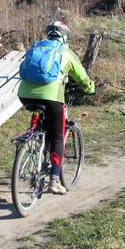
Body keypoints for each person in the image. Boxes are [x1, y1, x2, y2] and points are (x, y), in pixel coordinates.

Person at [18, 21, 95, 195]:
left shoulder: (35, 48)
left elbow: (22, 70)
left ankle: (33, 135)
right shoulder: (65, 52)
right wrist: (90, 88)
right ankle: (54, 179)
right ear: (65, 37)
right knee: (58, 136)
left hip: (24, 94)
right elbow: (82, 77)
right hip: (52, 97)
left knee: (39, 114)